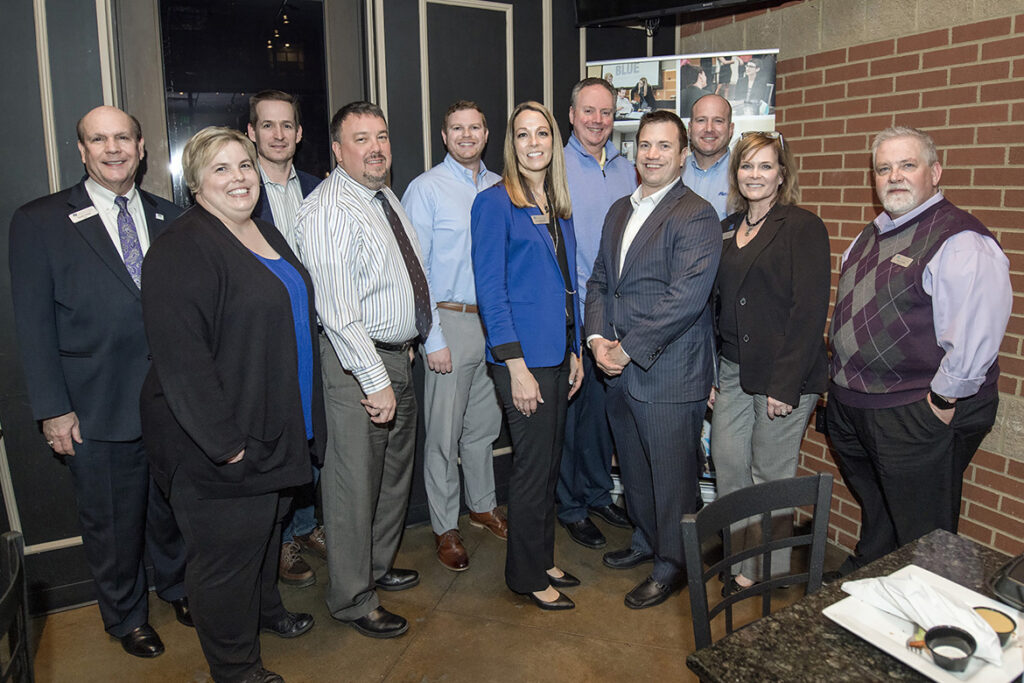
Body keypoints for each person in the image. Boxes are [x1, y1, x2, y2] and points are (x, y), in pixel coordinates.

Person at [140, 126, 322, 683]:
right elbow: (182, 362)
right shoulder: (182, 246)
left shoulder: (263, 232)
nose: (238, 178)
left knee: (265, 536)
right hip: (218, 444)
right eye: (220, 169)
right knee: (224, 564)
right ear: (194, 183)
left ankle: (267, 613)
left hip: (274, 428)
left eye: (244, 166)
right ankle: (236, 668)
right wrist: (227, 447)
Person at [8, 105, 188, 658]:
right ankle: (126, 616)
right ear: (81, 150)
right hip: (94, 406)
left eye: (123, 138)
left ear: (141, 147)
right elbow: (33, 326)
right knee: (112, 523)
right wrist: (52, 409)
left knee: (173, 511)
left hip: (172, 403)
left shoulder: (172, 217)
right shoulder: (39, 221)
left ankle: (181, 589)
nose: (113, 149)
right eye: (98, 139)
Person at [826, 126, 1011, 578]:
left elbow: (974, 338)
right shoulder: (868, 236)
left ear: (935, 172)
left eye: (907, 165)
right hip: (856, 409)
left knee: (924, 532)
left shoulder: (961, 240)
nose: (894, 177)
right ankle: (872, 577)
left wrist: (943, 403)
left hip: (916, 411)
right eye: (884, 168)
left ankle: (930, 616)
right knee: (882, 509)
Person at [295, 101, 431, 639]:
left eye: (382, 136)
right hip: (358, 367)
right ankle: (352, 597)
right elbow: (336, 308)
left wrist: (409, 339)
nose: (376, 148)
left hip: (395, 355)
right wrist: (375, 378)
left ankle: (374, 568)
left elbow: (397, 277)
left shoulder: (381, 195)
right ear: (336, 150)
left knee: (393, 477)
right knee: (354, 487)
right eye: (361, 139)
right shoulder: (329, 209)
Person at [586, 110, 721, 610]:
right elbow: (601, 280)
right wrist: (598, 339)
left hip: (666, 371)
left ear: (683, 155)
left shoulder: (696, 213)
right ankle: (646, 540)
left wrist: (626, 349)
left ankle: (673, 564)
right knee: (637, 470)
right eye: (645, 144)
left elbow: (684, 299)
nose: (653, 154)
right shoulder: (620, 209)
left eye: (665, 146)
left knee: (672, 477)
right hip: (617, 369)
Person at [471, 101, 584, 611]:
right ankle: (525, 575)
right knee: (532, 470)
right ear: (511, 145)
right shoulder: (495, 203)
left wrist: (578, 347)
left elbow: (568, 285)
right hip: (523, 362)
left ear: (554, 142)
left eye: (542, 133)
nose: (533, 142)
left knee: (549, 461)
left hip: (558, 354)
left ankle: (543, 557)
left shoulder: (557, 201)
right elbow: (491, 294)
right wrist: (516, 367)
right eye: (523, 135)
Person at [710, 131, 831, 594]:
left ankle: (766, 571)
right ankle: (741, 555)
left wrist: (785, 384)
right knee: (728, 463)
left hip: (785, 373)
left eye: (765, 166)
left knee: (771, 473)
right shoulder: (727, 227)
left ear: (782, 174)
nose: (754, 174)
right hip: (734, 369)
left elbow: (809, 310)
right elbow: (717, 305)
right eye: (746, 166)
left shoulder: (802, 226)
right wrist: (713, 372)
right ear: (736, 173)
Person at [401, 100, 506, 572]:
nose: (466, 135)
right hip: (450, 320)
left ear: (486, 134)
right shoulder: (425, 189)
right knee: (443, 434)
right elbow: (413, 271)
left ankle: (482, 505)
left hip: (494, 323)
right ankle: (446, 526)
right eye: (456, 128)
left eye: (475, 128)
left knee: (483, 427)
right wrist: (432, 336)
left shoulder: (503, 187)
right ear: (444, 137)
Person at [246, 89, 326, 587]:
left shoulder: (320, 189)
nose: (278, 134)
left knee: (316, 435)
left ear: (299, 133)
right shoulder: (237, 191)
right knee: (279, 436)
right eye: (268, 125)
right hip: (267, 339)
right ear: (251, 132)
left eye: (287, 125)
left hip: (321, 332)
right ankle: (281, 540)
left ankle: (308, 522)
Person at [558, 78, 636, 552]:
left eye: (606, 112)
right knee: (572, 411)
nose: (597, 121)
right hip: (574, 310)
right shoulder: (556, 165)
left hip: (619, 312)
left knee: (604, 416)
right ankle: (569, 506)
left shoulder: (629, 169)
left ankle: (597, 492)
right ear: (571, 115)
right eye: (588, 111)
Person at [682, 94, 734, 220]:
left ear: (730, 129)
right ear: (690, 128)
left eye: (718, 121)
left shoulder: (744, 175)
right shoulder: (673, 172)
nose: (709, 128)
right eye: (701, 120)